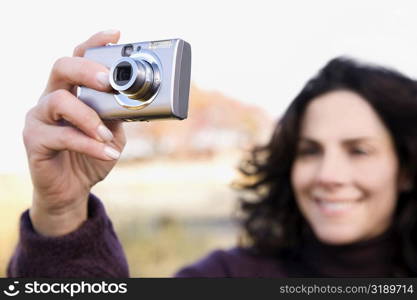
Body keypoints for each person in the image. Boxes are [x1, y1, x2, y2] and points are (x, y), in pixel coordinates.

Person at [7, 30, 417, 277]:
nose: (328, 174)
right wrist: (61, 215)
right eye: (309, 151)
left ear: (406, 170)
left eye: (359, 151)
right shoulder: (227, 277)